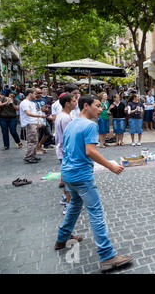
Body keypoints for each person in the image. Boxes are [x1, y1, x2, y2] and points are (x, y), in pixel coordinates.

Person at [55, 95, 132, 271]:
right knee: (96, 212)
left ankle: (62, 238)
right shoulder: (90, 125)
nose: (101, 109)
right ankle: (107, 256)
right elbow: (90, 151)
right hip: (81, 175)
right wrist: (111, 166)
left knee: (74, 204)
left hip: (68, 173)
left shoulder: (72, 123)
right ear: (85, 106)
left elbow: (66, 149)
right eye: (97, 106)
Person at [54, 93, 77, 215]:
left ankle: (65, 197)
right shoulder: (65, 118)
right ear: (67, 103)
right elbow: (68, 137)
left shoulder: (63, 115)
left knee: (66, 176)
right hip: (66, 151)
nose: (76, 103)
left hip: (63, 150)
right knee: (69, 179)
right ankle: (68, 203)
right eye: (74, 101)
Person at [19, 88, 47, 164]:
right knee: (32, 141)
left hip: (33, 123)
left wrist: (38, 121)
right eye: (35, 93)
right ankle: (28, 157)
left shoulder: (32, 103)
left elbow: (34, 113)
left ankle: (32, 155)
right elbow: (28, 113)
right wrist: (41, 116)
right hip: (29, 123)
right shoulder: (25, 103)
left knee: (35, 140)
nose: (36, 95)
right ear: (30, 94)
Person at [33, 88, 52, 155]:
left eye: (41, 93)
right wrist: (38, 109)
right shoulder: (32, 101)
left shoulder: (43, 100)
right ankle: (37, 148)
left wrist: (45, 109)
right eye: (38, 93)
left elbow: (47, 109)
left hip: (43, 119)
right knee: (37, 134)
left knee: (48, 133)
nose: (40, 94)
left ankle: (40, 144)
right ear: (34, 93)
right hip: (36, 119)